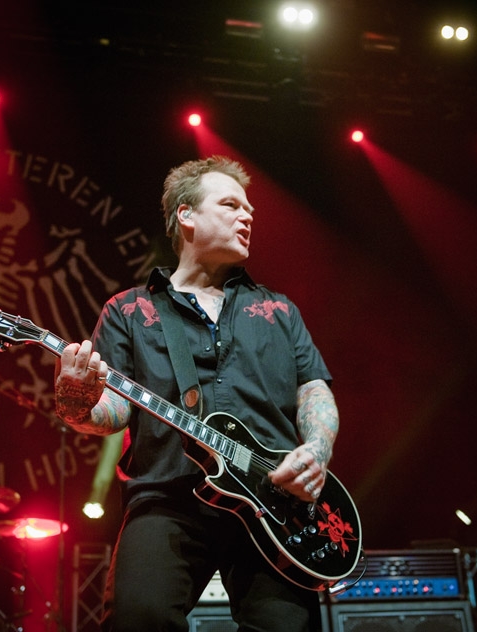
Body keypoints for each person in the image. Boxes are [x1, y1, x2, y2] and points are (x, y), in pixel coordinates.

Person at [54, 155, 340, 631]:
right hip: (168, 498)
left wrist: (317, 450)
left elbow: (314, 388)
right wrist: (74, 395)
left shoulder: (278, 310)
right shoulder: (130, 310)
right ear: (185, 215)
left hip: (275, 505)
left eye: (249, 209)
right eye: (230, 205)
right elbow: (108, 413)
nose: (247, 216)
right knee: (137, 619)